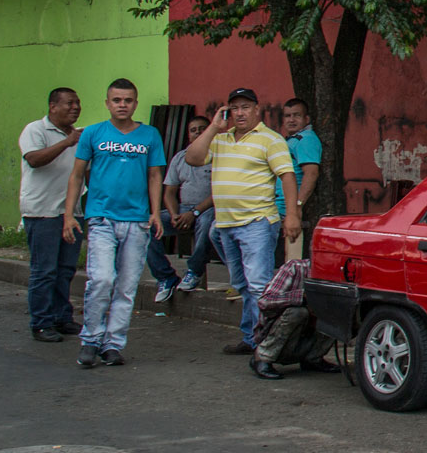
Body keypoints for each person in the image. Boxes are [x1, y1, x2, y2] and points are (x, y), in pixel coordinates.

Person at [184, 87, 302, 375]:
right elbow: (192, 158)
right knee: (243, 287)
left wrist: (292, 215)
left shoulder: (270, 140)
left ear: (257, 110)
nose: (239, 113)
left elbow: (286, 176)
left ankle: (264, 351)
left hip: (257, 223)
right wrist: (213, 127)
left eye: (245, 107)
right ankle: (251, 339)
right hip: (225, 225)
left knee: (260, 286)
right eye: (234, 107)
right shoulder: (220, 139)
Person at [61, 78, 167, 368]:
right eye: (117, 100)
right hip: (102, 219)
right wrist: (69, 215)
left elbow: (155, 176)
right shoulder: (93, 134)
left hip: (137, 221)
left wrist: (155, 213)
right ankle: (90, 340)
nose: (123, 105)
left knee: (126, 286)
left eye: (128, 100)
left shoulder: (150, 135)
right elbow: (77, 175)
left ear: (135, 102)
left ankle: (112, 344)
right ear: (107, 103)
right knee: (101, 280)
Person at [19, 87, 84, 342]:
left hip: (71, 212)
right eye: (69, 103)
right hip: (42, 211)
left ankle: (62, 317)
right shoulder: (35, 130)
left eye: (78, 103)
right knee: (44, 270)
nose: (75, 107)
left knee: (65, 269)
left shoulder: (81, 135)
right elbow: (34, 159)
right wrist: (67, 142)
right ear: (52, 106)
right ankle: (41, 322)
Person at [162, 115, 219, 293]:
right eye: (193, 130)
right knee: (148, 225)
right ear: (188, 135)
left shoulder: (219, 155)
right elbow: (169, 193)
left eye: (202, 128)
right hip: (184, 209)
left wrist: (194, 212)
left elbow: (219, 192)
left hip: (211, 209)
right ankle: (164, 276)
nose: (198, 133)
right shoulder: (180, 158)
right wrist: (174, 214)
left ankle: (194, 271)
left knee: (206, 223)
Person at [277, 98, 322, 236]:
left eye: (296, 115)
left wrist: (297, 206)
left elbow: (311, 174)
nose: (291, 120)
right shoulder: (292, 140)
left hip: (285, 211)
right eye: (287, 116)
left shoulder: (305, 139)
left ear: (306, 118)